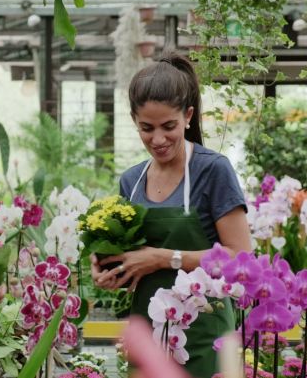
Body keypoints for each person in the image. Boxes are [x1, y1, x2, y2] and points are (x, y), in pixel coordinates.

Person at [90, 51, 251, 378]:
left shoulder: (212, 171)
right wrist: (109, 271)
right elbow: (132, 259)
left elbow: (240, 257)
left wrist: (165, 258)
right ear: (134, 121)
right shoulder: (131, 181)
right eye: (146, 128)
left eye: (168, 126)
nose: (158, 139)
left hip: (206, 334)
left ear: (188, 115)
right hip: (149, 334)